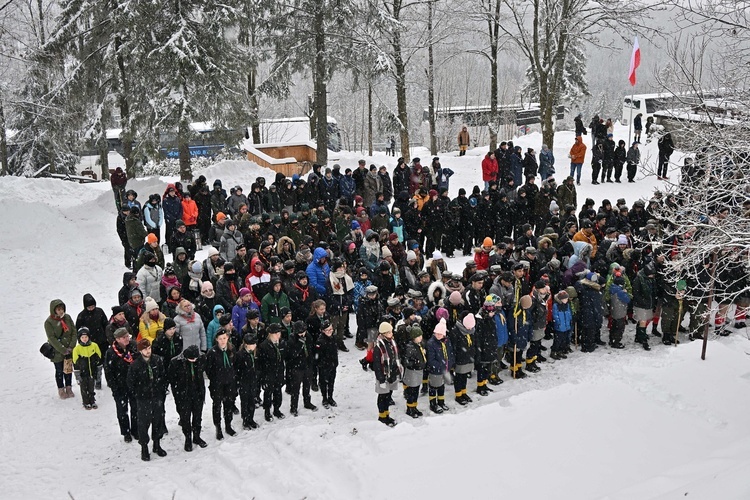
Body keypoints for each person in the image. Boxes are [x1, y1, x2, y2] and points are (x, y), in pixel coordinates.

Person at [127, 338, 168, 461]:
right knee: (143, 423)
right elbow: (130, 383)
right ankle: (144, 447)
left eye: (149, 348)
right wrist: (140, 392)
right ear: (140, 351)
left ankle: (157, 444)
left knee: (158, 420)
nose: (148, 351)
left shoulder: (157, 360)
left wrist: (160, 389)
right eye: (145, 349)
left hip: (157, 397)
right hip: (143, 399)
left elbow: (163, 376)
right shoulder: (135, 365)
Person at [168, 344, 208, 451]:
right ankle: (188, 438)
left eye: (195, 358)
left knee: (197, 417)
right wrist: (178, 394)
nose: (193, 360)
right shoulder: (176, 362)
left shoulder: (202, 359)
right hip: (184, 395)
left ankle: (196, 436)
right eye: (191, 359)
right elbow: (172, 380)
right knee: (185, 418)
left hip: (198, 393)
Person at [104, 327, 138, 441]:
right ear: (117, 339)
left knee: (136, 408)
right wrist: (114, 386)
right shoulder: (111, 352)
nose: (127, 339)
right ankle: (126, 432)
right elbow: (108, 371)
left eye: (127, 336)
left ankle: (135, 429)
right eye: (124, 337)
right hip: (120, 386)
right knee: (122, 410)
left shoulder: (133, 346)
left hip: (133, 384)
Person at [205, 328, 237, 440]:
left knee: (229, 404)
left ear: (227, 338)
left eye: (224, 338)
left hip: (230, 382)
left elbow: (235, 365)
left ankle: (228, 425)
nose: (223, 341)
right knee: (217, 405)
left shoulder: (231, 349)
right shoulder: (212, 352)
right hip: (217, 384)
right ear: (216, 340)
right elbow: (208, 369)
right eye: (220, 339)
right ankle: (218, 427)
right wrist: (215, 379)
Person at [45, 299, 77, 399]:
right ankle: (61, 388)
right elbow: (52, 338)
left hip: (69, 349)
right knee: (59, 370)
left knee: (68, 370)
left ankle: (69, 387)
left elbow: (74, 332)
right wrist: (62, 349)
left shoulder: (67, 318)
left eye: (62, 309)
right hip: (57, 351)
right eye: (58, 309)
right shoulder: (49, 322)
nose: (61, 311)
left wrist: (71, 346)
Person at [75, 294, 109, 389]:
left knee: (105, 363)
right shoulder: (81, 316)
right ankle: (96, 380)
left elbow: (106, 324)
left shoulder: (100, 312)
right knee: (94, 364)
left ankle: (108, 380)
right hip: (90, 345)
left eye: (93, 306)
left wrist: (107, 338)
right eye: (89, 307)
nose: (91, 308)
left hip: (102, 342)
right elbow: (78, 331)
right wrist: (82, 343)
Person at [372, 321, 401, 426]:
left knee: (388, 395)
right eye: (388, 332)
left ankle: (386, 414)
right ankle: (382, 416)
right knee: (382, 396)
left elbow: (394, 357)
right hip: (383, 376)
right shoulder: (379, 347)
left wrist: (396, 370)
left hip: (391, 374)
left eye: (391, 331)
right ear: (383, 334)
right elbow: (377, 365)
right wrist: (381, 378)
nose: (391, 334)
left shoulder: (391, 342)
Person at [286, 321, 318, 416]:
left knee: (307, 385)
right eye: (300, 333)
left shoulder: (308, 336)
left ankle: (307, 402)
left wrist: (312, 360)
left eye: (303, 332)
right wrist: (300, 345)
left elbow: (311, 348)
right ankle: (293, 407)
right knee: (295, 388)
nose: (302, 334)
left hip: (307, 365)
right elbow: (292, 354)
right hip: (297, 367)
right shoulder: (291, 339)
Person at [258, 323, 287, 421]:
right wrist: (263, 378)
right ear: (270, 334)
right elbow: (261, 364)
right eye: (275, 333)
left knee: (278, 392)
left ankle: (277, 409)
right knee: (268, 393)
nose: (278, 335)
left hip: (279, 372)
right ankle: (267, 411)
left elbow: (283, 358)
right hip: (268, 373)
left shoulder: (282, 343)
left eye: (279, 333)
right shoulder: (264, 346)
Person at [426, 318, 453, 413]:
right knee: (433, 387)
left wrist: (449, 364)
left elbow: (450, 353)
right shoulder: (431, 343)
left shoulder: (446, 341)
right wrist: (441, 366)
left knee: (441, 386)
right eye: (436, 333)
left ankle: (441, 402)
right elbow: (431, 359)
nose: (438, 335)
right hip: (435, 370)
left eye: (440, 334)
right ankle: (433, 404)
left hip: (444, 369)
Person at [72, 327, 102, 410]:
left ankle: (92, 400)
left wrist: (97, 366)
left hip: (92, 371)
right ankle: (86, 402)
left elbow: (99, 356)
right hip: (83, 372)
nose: (84, 339)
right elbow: (75, 362)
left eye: (86, 337)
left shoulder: (94, 345)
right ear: (79, 338)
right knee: (84, 388)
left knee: (91, 387)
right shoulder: (77, 349)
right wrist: (78, 375)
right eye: (82, 337)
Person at [235, 333, 259, 430]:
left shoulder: (254, 353)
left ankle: (251, 418)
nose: (254, 346)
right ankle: (245, 420)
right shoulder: (240, 355)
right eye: (252, 344)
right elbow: (237, 369)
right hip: (244, 382)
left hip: (253, 381)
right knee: (245, 401)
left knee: (252, 401)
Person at [315, 320, 339, 408]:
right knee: (323, 383)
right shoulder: (320, 341)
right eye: (327, 330)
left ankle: (330, 397)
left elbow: (335, 351)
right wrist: (320, 364)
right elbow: (317, 355)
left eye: (331, 329)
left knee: (331, 382)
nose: (329, 332)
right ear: (323, 331)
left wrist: (335, 362)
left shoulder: (333, 338)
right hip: (324, 366)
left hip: (332, 364)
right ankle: (324, 398)